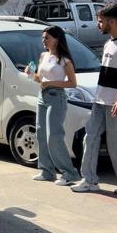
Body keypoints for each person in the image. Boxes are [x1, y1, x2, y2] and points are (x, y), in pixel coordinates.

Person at [72, 4, 117, 195]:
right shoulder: (108, 43)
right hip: (100, 101)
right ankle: (89, 180)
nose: (98, 24)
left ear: (112, 21)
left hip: (116, 103)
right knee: (90, 137)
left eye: (100, 20)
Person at [25, 26, 81, 185]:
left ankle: (70, 173)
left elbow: (72, 83)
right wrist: (30, 73)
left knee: (54, 137)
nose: (44, 40)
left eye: (47, 38)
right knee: (41, 134)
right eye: (43, 38)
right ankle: (47, 171)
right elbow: (39, 79)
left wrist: (51, 83)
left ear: (57, 39)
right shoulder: (43, 56)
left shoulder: (65, 60)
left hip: (57, 98)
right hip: (42, 97)